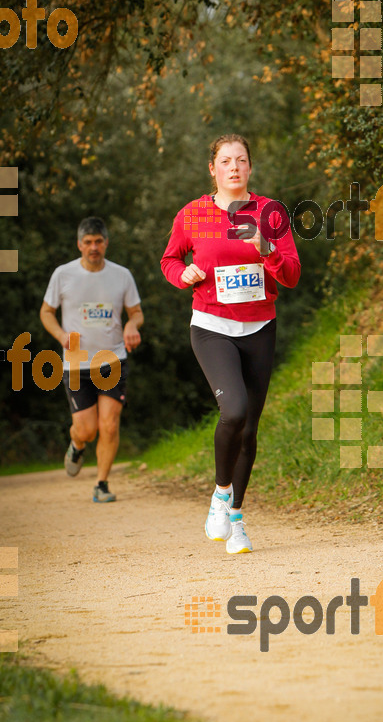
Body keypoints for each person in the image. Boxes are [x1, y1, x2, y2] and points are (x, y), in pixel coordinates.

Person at [161, 133, 300, 554]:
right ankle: (221, 495)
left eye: (241, 160)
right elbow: (170, 260)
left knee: (250, 429)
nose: (234, 167)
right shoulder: (193, 215)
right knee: (234, 410)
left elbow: (291, 275)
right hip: (211, 326)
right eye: (226, 161)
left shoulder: (270, 213)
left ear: (250, 168)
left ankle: (235, 517)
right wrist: (181, 275)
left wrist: (266, 247)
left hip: (260, 327)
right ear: (213, 169)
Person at [40, 217, 143, 503]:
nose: (93, 247)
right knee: (86, 429)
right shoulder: (63, 274)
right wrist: (61, 334)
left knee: (109, 425)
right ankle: (76, 444)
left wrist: (132, 325)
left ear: (106, 243)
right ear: (79, 244)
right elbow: (46, 312)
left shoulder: (121, 275)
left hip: (112, 358)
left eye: (98, 241)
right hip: (76, 363)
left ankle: (102, 483)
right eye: (88, 242)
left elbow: (135, 312)